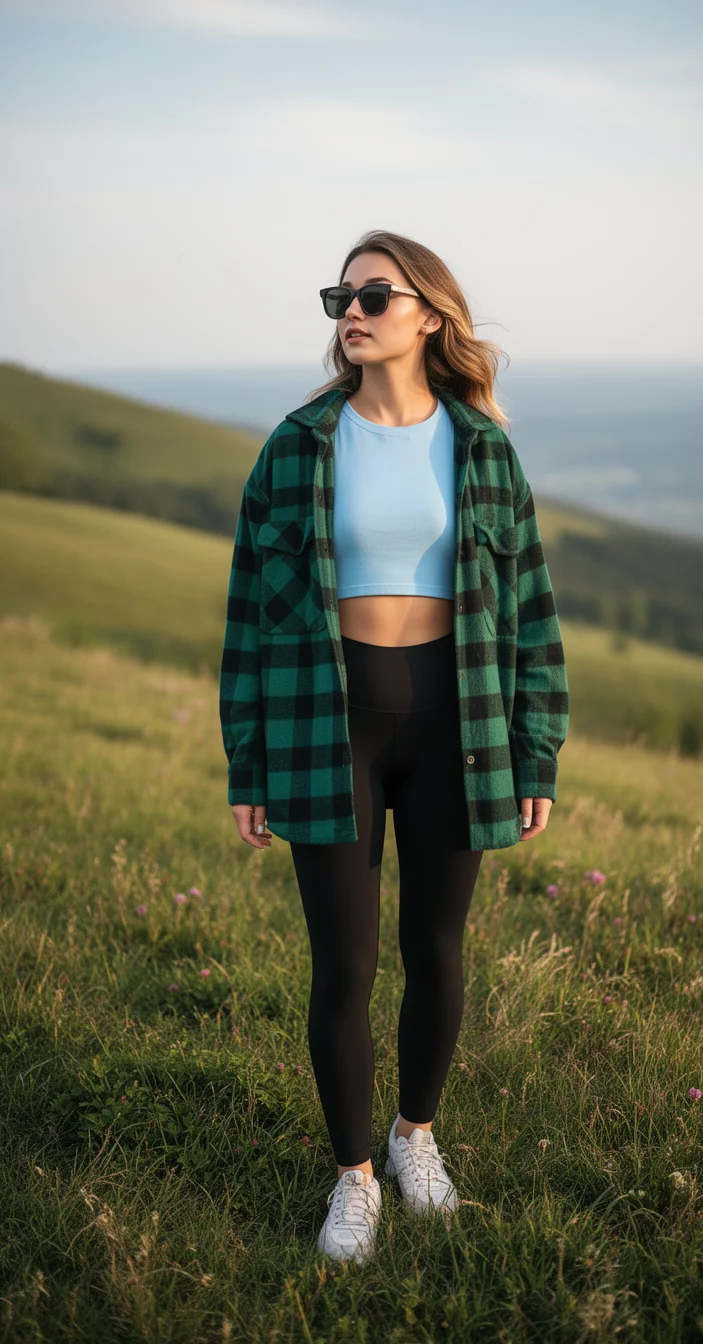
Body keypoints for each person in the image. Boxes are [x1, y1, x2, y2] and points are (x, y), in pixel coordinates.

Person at [219, 229, 569, 1265]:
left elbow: (532, 609)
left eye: (376, 293)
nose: (353, 311)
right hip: (328, 725)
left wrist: (535, 750)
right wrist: (249, 760)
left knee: (438, 951)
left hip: (457, 724)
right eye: (342, 296)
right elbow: (248, 614)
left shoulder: (483, 448)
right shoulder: (297, 445)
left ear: (431, 315)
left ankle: (415, 1134)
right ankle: (353, 1180)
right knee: (346, 964)